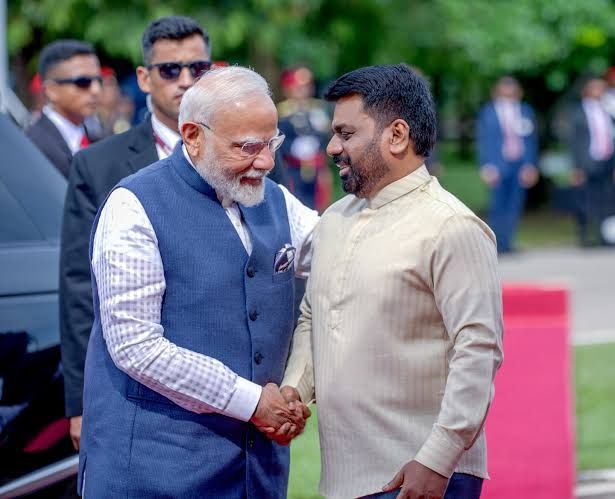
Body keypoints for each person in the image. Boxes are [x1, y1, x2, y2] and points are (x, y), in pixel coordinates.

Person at [78, 65, 317, 497]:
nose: (266, 161)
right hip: (154, 472)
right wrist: (251, 402)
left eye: (272, 143)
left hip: (255, 472)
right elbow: (136, 346)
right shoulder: (134, 206)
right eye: (248, 147)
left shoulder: (277, 198)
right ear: (192, 136)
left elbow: (336, 258)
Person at [280, 64, 504, 499]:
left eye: (346, 134)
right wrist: (294, 392)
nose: (332, 147)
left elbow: (479, 349)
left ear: (397, 135)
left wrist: (437, 458)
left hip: (419, 475)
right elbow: (313, 316)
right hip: (343, 477)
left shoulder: (451, 226)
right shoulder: (334, 220)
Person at [476, 76, 539, 253]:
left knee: (514, 204)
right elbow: (484, 140)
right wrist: (487, 166)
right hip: (498, 165)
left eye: (512, 87)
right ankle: (496, 243)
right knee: (497, 205)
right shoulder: (489, 112)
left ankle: (509, 242)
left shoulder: (525, 111)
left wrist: (530, 164)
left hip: (519, 164)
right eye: (505, 87)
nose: (508, 90)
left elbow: (531, 140)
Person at [26, 40, 102, 177]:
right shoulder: (31, 146)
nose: (96, 90)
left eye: (98, 80)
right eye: (83, 82)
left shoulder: (99, 139)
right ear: (51, 90)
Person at [277, 65, 333, 212]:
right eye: (299, 87)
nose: (304, 90)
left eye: (307, 86)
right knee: (295, 204)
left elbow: (325, 137)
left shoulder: (317, 109)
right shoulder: (282, 112)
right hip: (293, 168)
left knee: (319, 205)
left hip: (316, 167)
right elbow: (280, 141)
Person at [569, 75, 615, 246]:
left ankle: (605, 236)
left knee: (607, 201)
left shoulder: (609, 109)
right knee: (585, 200)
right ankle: (586, 236)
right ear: (586, 90)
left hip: (607, 161)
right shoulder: (578, 112)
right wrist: (576, 167)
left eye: (602, 88)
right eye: (595, 88)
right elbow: (574, 142)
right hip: (587, 163)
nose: (599, 91)